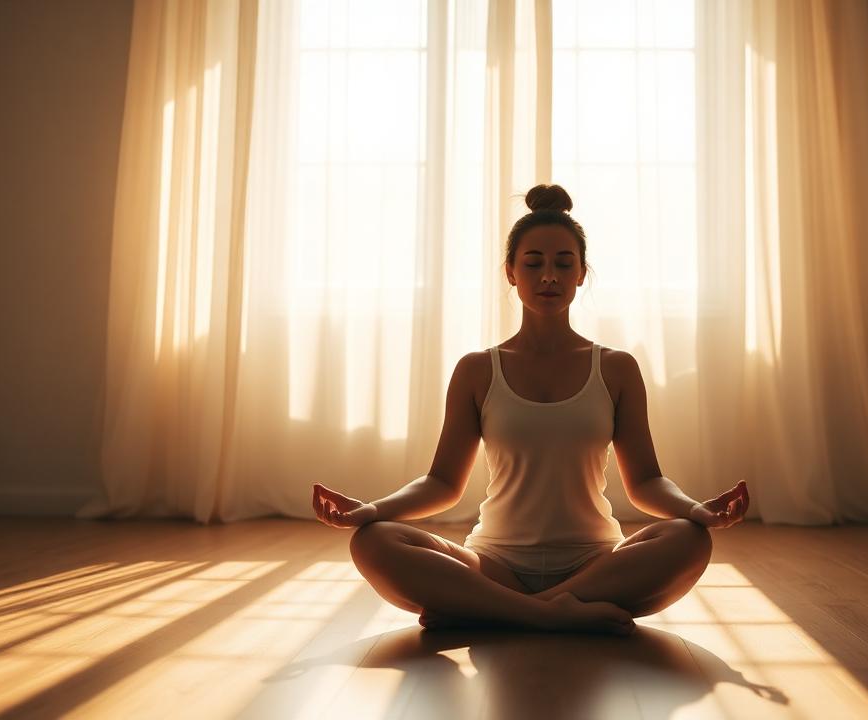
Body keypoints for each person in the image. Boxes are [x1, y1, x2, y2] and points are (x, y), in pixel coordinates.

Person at [312, 184, 750, 635]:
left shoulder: (616, 369)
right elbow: (442, 483)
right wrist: (372, 510)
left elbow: (645, 482)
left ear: (582, 274)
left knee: (687, 539)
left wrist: (695, 510)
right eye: (533, 263)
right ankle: (550, 614)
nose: (548, 276)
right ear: (510, 273)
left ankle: (494, 611)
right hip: (495, 562)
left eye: (564, 263)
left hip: (594, 564)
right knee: (374, 541)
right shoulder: (477, 370)